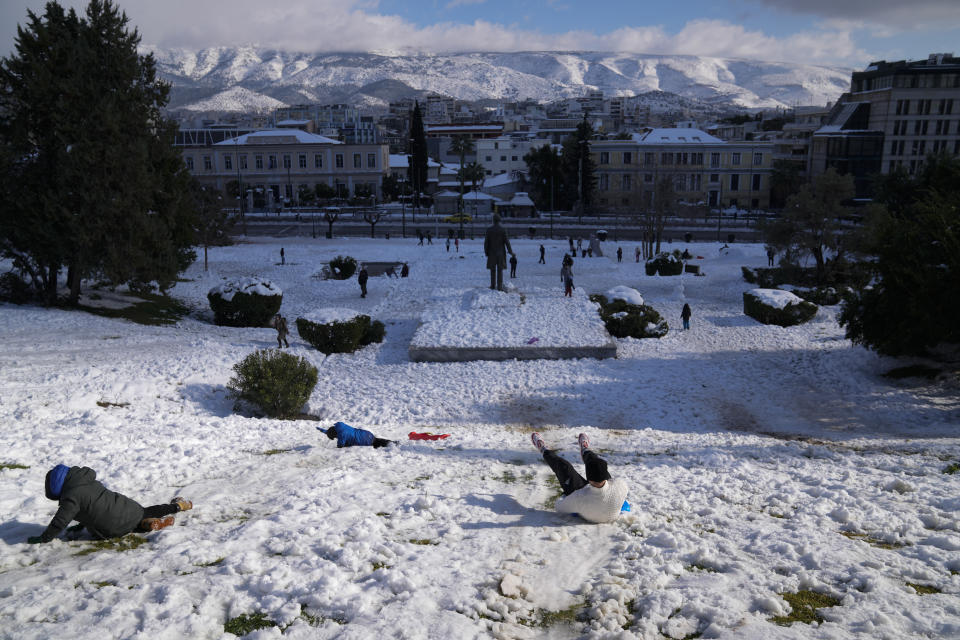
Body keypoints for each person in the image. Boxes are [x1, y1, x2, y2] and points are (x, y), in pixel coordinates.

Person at [28, 465, 192, 543]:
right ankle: (177, 507)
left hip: (110, 529)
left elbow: (59, 522)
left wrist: (43, 538)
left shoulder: (71, 497)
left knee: (120, 525)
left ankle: (148, 525)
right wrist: (80, 525)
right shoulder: (86, 481)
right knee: (143, 512)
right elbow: (92, 506)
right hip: (128, 507)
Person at [530, 433, 628, 523]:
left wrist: (565, 496)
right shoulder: (620, 485)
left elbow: (559, 507)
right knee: (597, 465)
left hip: (588, 502)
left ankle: (543, 449)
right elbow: (617, 487)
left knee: (564, 467)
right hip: (606, 507)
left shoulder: (579, 498)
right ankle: (585, 450)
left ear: (589, 479)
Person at [484, 213, 514, 291]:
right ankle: (499, 287)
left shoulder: (489, 230)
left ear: (493, 220)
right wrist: (510, 252)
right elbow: (507, 242)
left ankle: (493, 285)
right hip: (500, 253)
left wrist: (486, 252)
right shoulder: (503, 230)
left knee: (492, 270)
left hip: (492, 253)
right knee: (500, 270)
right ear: (499, 221)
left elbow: (486, 242)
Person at [318, 422, 394, 448]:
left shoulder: (341, 437)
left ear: (335, 434)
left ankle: (391, 446)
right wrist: (324, 431)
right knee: (376, 440)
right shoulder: (340, 426)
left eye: (334, 437)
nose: (336, 438)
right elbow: (331, 432)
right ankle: (392, 443)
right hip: (366, 433)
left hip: (365, 441)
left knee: (375, 444)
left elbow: (339, 447)